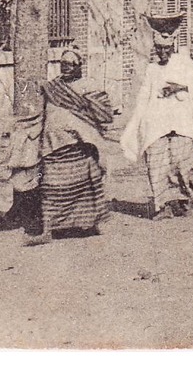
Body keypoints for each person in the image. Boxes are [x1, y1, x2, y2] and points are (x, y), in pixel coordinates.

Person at [7, 47, 114, 245]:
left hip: (79, 145)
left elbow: (104, 113)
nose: (65, 68)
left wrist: (82, 108)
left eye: (70, 64)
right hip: (52, 146)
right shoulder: (52, 87)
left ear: (79, 66)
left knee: (84, 187)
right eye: (62, 64)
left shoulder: (88, 85)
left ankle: (88, 224)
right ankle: (47, 230)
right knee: (50, 187)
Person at [121, 15, 193, 220]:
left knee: (181, 163)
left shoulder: (185, 64)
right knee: (156, 162)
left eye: (166, 49)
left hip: (181, 123)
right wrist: (137, 121)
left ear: (172, 48)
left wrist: (179, 87)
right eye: (159, 49)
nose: (162, 53)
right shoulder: (152, 69)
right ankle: (161, 206)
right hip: (157, 123)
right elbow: (144, 96)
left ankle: (181, 200)